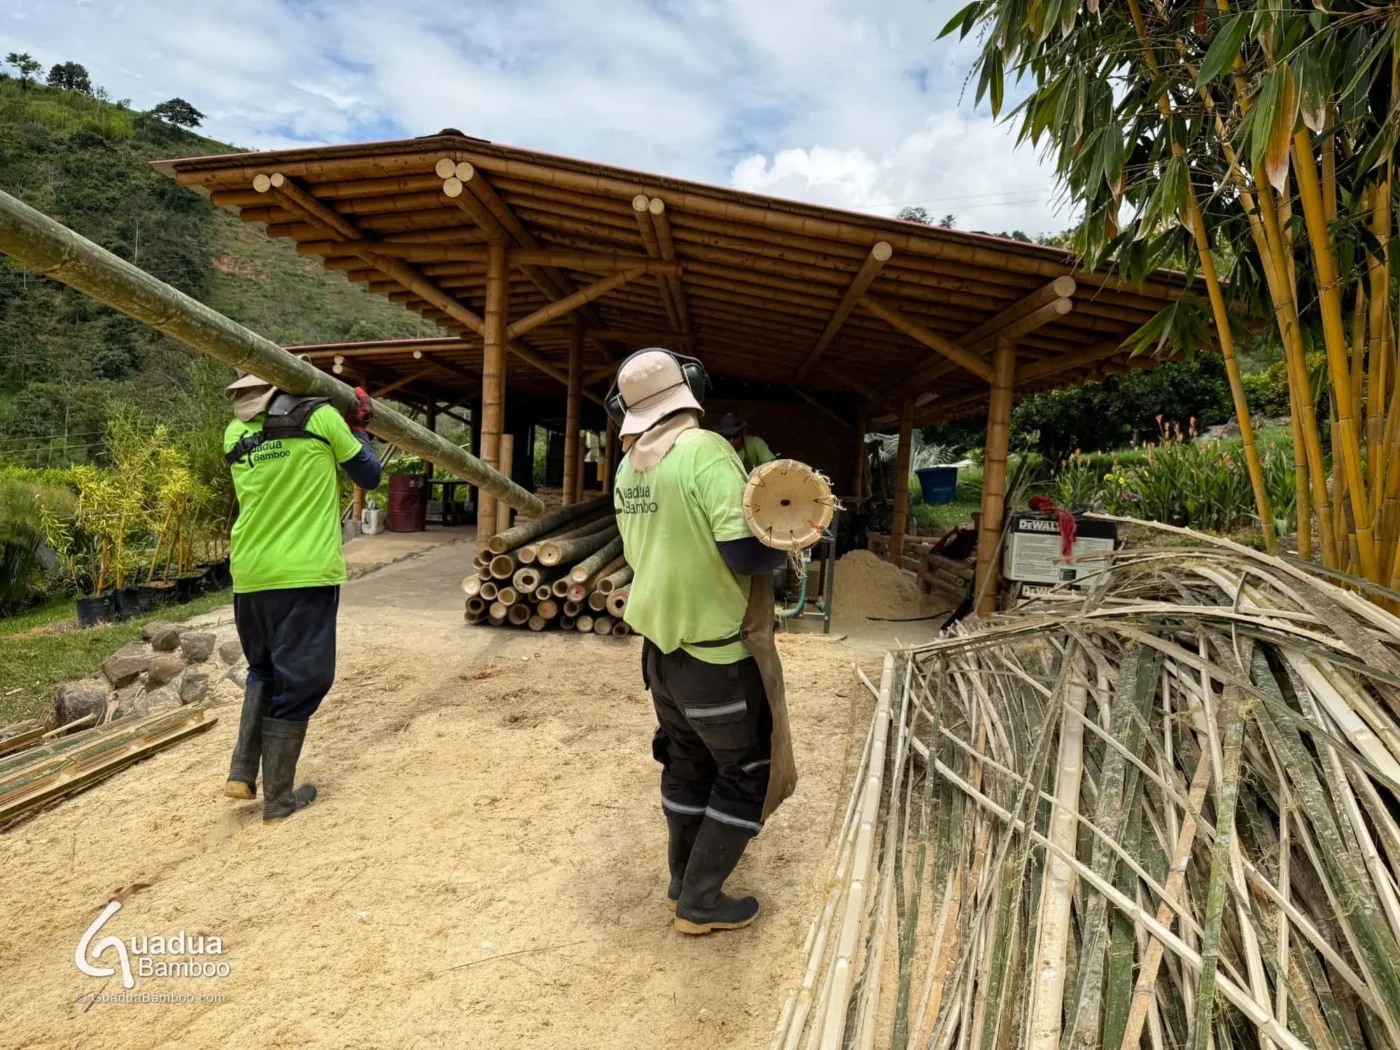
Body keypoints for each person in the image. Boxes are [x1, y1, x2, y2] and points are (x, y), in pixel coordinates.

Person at [608, 350, 797, 935]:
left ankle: (680, 883)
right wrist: (791, 537)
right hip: (718, 657)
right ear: (689, 389)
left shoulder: (628, 468)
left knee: (687, 763)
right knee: (748, 771)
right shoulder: (705, 451)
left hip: (662, 658)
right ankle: (701, 901)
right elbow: (743, 553)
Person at [220, 371, 382, 822]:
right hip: (304, 572)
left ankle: (242, 772)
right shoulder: (320, 417)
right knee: (305, 680)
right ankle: (279, 799)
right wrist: (358, 429)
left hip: (250, 572)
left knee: (264, 669)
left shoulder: (235, 429)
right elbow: (368, 474)